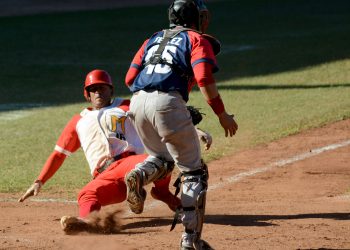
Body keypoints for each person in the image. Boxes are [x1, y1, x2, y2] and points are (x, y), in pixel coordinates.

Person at [124, 0, 238, 249]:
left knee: (162, 159)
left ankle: (139, 175)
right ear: (197, 17)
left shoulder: (153, 38)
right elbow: (204, 77)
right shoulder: (197, 39)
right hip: (167, 102)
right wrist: (222, 115)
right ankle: (190, 240)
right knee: (194, 172)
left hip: (137, 103)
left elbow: (130, 78)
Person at [17, 69, 188, 232]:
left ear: (110, 90)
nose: (98, 91)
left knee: (158, 160)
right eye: (93, 89)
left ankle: (162, 192)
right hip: (105, 175)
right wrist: (39, 181)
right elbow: (59, 154)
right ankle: (88, 223)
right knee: (86, 194)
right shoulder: (78, 121)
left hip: (130, 163)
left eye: (102, 87)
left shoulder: (126, 106)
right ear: (87, 94)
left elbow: (157, 118)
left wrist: (192, 131)